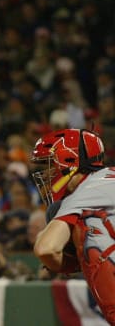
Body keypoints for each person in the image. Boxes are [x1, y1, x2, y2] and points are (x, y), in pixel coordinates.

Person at [32, 129, 115, 324]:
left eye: (49, 165)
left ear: (68, 160)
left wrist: (75, 261)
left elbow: (46, 249)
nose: (45, 173)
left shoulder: (85, 192)